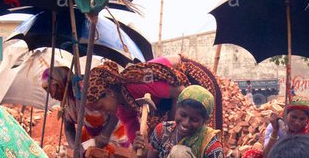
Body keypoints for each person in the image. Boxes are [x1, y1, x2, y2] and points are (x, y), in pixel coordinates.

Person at [86, 55, 223, 149]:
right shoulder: (121, 107)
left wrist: (171, 126)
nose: (102, 112)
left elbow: (180, 91)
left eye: (101, 106)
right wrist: (139, 149)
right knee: (161, 139)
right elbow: (132, 127)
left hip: (191, 78)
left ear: (109, 93)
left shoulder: (134, 85)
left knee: (206, 135)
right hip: (170, 99)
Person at [240, 97, 309, 158]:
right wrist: (275, 131)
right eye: (293, 117)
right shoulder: (276, 126)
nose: (297, 122)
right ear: (285, 114)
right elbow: (267, 156)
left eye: (302, 119)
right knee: (249, 156)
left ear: (307, 120)